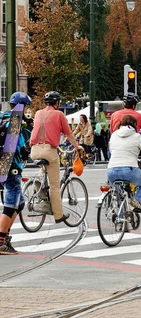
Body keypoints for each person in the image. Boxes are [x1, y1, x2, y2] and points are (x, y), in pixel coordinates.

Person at [30, 91, 84, 224]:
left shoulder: (38, 113)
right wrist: (77, 147)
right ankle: (58, 215)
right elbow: (69, 134)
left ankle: (38, 183)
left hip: (34, 150)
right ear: (57, 103)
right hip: (49, 150)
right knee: (54, 186)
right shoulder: (59, 114)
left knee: (43, 169)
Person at [0, 92, 33, 254]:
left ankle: (5, 237)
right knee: (11, 202)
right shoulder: (16, 121)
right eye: (27, 106)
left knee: (19, 203)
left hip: (3, 165)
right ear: (23, 106)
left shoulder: (3, 116)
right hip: (10, 166)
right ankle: (0, 241)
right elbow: (18, 147)